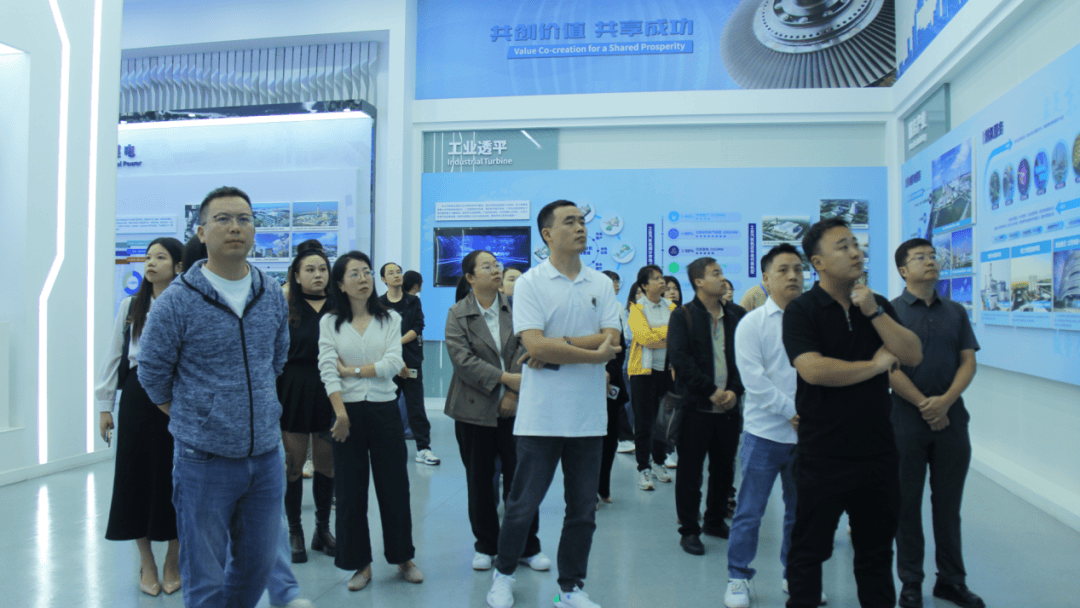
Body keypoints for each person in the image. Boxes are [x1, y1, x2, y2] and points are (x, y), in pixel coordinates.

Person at [138, 186, 294, 608]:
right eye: (222, 219)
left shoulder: (270, 293)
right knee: (205, 577)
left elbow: (277, 358)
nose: (235, 227)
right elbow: (152, 373)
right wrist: (197, 416)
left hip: (266, 455)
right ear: (202, 231)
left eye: (244, 219)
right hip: (203, 459)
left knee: (258, 564)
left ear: (255, 230)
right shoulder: (176, 301)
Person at [486, 200, 621, 608]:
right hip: (541, 417)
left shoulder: (601, 283)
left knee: (582, 511)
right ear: (547, 234)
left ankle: (571, 588)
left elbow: (612, 340)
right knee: (522, 506)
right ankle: (503, 576)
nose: (580, 227)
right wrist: (589, 353)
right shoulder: (531, 282)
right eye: (570, 221)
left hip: (588, 417)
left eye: (582, 221)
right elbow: (534, 344)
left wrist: (557, 346)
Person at [781, 218, 922, 608]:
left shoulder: (877, 305)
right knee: (809, 552)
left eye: (856, 244)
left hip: (877, 453)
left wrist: (874, 313)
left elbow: (912, 354)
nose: (856, 253)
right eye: (843, 247)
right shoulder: (802, 311)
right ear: (818, 263)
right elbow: (814, 370)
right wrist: (875, 367)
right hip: (822, 455)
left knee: (876, 555)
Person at [725, 244, 822, 608]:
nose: (793, 275)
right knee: (750, 512)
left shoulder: (815, 321)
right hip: (763, 435)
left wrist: (809, 416)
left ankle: (795, 575)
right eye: (783, 270)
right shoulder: (752, 324)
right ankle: (738, 577)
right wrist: (793, 412)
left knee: (801, 514)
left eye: (798, 269)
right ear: (766, 279)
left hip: (808, 436)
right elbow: (754, 380)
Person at [319, 251, 423, 591]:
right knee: (350, 492)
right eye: (354, 274)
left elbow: (393, 363)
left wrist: (352, 370)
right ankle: (359, 564)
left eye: (366, 272)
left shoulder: (390, 318)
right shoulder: (329, 322)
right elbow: (327, 369)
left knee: (395, 487)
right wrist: (340, 413)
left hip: (384, 409)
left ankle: (403, 557)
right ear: (340, 284)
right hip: (346, 413)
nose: (363, 279)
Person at [889, 239, 985, 608]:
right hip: (905, 421)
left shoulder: (956, 312)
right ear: (903, 270)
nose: (930, 261)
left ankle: (951, 581)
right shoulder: (889, 312)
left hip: (952, 421)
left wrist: (944, 402)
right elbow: (888, 367)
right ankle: (911, 581)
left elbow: (968, 362)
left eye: (933, 256)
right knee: (906, 505)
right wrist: (923, 404)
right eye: (920, 257)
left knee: (948, 506)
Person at [444, 250, 549, 572]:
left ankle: (527, 546)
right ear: (470, 278)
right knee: (479, 481)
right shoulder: (457, 313)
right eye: (486, 266)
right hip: (473, 410)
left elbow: (527, 347)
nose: (495, 270)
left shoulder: (516, 307)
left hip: (518, 406)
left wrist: (513, 394)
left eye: (496, 265)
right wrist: (504, 381)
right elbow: (463, 361)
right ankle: (486, 545)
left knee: (522, 479)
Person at [96, 236, 184, 597]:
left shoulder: (187, 304)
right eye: (148, 257)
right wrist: (104, 406)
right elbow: (114, 355)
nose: (151, 263)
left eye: (160, 257)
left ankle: (173, 560)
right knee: (134, 479)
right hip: (136, 396)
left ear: (178, 266)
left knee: (177, 479)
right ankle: (147, 562)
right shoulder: (131, 306)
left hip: (178, 397)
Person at [667, 257, 745, 555]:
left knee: (724, 470)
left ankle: (714, 520)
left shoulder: (736, 315)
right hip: (696, 408)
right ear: (698, 281)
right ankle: (689, 530)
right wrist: (711, 391)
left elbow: (745, 358)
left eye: (722, 272)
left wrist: (735, 391)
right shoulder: (683, 315)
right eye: (715, 273)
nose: (722, 278)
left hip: (729, 409)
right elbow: (681, 360)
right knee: (690, 472)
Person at [278, 245, 336, 563]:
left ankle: (322, 530)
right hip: (294, 389)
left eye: (322, 269)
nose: (317, 275)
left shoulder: (339, 306)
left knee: (327, 464)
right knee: (294, 465)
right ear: (297, 276)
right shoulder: (285, 307)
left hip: (331, 389)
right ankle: (295, 531)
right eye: (310, 270)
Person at [379, 262, 440, 465]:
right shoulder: (379, 304)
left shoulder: (413, 301)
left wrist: (399, 350)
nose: (396, 275)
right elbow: (379, 334)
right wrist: (397, 360)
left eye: (399, 272)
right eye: (391, 273)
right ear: (383, 279)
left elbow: (417, 327)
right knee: (386, 407)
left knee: (416, 408)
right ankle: (386, 448)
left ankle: (423, 449)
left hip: (412, 361)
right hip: (389, 363)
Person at [627, 265, 676, 490]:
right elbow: (645, 338)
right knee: (644, 422)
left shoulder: (672, 307)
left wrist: (659, 335)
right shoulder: (637, 309)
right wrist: (668, 334)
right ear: (644, 285)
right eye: (656, 279)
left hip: (667, 372)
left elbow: (680, 336)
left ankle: (659, 463)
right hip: (643, 373)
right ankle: (643, 468)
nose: (662, 281)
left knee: (663, 423)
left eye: (662, 278)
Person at [598, 269, 631, 505]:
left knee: (610, 438)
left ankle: (603, 488)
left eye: (616, 282)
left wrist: (609, 371)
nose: (614, 286)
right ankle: (587, 490)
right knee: (588, 441)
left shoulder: (615, 311)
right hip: (587, 380)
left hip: (611, 384)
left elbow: (619, 348)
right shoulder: (585, 309)